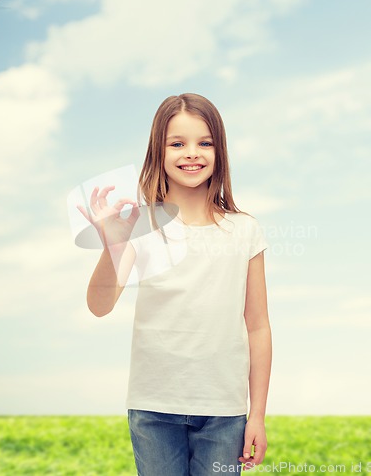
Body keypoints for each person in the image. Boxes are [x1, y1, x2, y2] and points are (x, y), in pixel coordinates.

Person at [77, 93, 272, 475]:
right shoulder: (140, 225)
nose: (191, 153)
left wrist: (258, 415)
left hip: (224, 411)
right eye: (177, 143)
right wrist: (113, 245)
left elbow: (258, 325)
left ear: (219, 151)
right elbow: (99, 305)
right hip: (154, 408)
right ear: (158, 152)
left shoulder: (245, 230)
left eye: (204, 142)